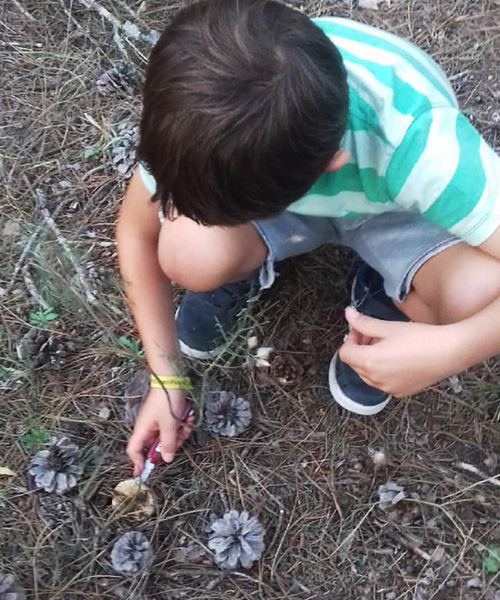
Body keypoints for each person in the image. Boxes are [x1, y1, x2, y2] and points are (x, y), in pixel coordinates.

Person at [116, 0, 500, 476]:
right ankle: (251, 263)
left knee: (476, 292)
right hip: (289, 180)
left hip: (398, 208)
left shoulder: (421, 146)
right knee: (188, 251)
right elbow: (136, 233)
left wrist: (454, 348)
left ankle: (395, 300)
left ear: (328, 167)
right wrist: (165, 375)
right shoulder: (194, 118)